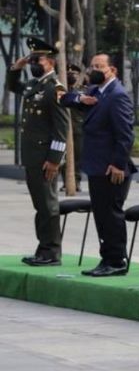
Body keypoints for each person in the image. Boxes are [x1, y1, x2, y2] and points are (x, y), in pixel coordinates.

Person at [60, 53, 137, 276]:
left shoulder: (116, 95)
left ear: (112, 70)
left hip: (111, 167)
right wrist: (80, 99)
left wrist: (118, 164)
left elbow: (125, 135)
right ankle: (107, 259)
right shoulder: (95, 92)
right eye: (92, 65)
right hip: (97, 165)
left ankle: (116, 260)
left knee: (111, 215)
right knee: (101, 214)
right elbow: (64, 98)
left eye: (100, 66)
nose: (94, 69)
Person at [6, 38, 69, 266]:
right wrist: (16, 67)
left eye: (37, 59)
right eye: (31, 59)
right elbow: (14, 86)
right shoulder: (35, 86)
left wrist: (54, 160)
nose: (33, 63)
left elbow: (62, 130)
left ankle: (51, 252)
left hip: (45, 159)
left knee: (48, 205)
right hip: (33, 157)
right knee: (40, 205)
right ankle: (43, 249)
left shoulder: (55, 89)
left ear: (50, 62)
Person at [60, 63, 85, 193]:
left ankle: (77, 181)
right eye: (68, 74)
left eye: (74, 74)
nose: (71, 76)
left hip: (78, 130)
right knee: (62, 157)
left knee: (77, 158)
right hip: (61, 130)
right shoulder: (59, 90)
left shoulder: (83, 91)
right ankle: (66, 182)